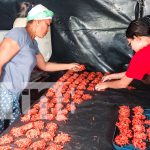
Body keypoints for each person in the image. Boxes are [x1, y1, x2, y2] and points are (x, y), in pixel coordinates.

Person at [0, 4, 81, 132]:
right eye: (47, 25)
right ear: (37, 21)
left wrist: (69, 66)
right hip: (3, 91)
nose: (48, 30)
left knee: (12, 131)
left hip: (14, 94)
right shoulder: (18, 34)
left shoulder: (33, 43)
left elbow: (44, 65)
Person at [95, 19, 150, 91]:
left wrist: (105, 84)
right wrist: (113, 76)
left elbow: (122, 84)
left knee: (145, 79)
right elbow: (133, 72)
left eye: (130, 43)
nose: (131, 47)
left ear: (137, 38)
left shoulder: (141, 56)